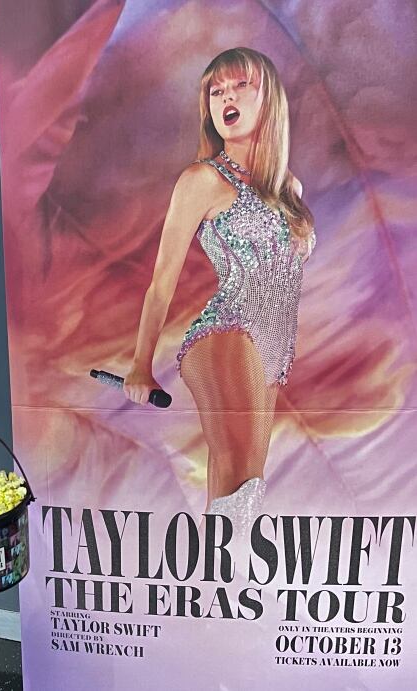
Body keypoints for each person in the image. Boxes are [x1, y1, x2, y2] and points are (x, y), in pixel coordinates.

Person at [123, 48, 315, 533]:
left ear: (268, 100)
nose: (225, 97)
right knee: (239, 473)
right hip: (227, 332)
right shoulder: (201, 180)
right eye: (216, 90)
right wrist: (140, 363)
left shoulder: (288, 187)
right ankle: (229, 585)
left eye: (239, 86)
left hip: (274, 349)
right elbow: (162, 279)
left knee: (241, 483)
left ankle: (214, 594)